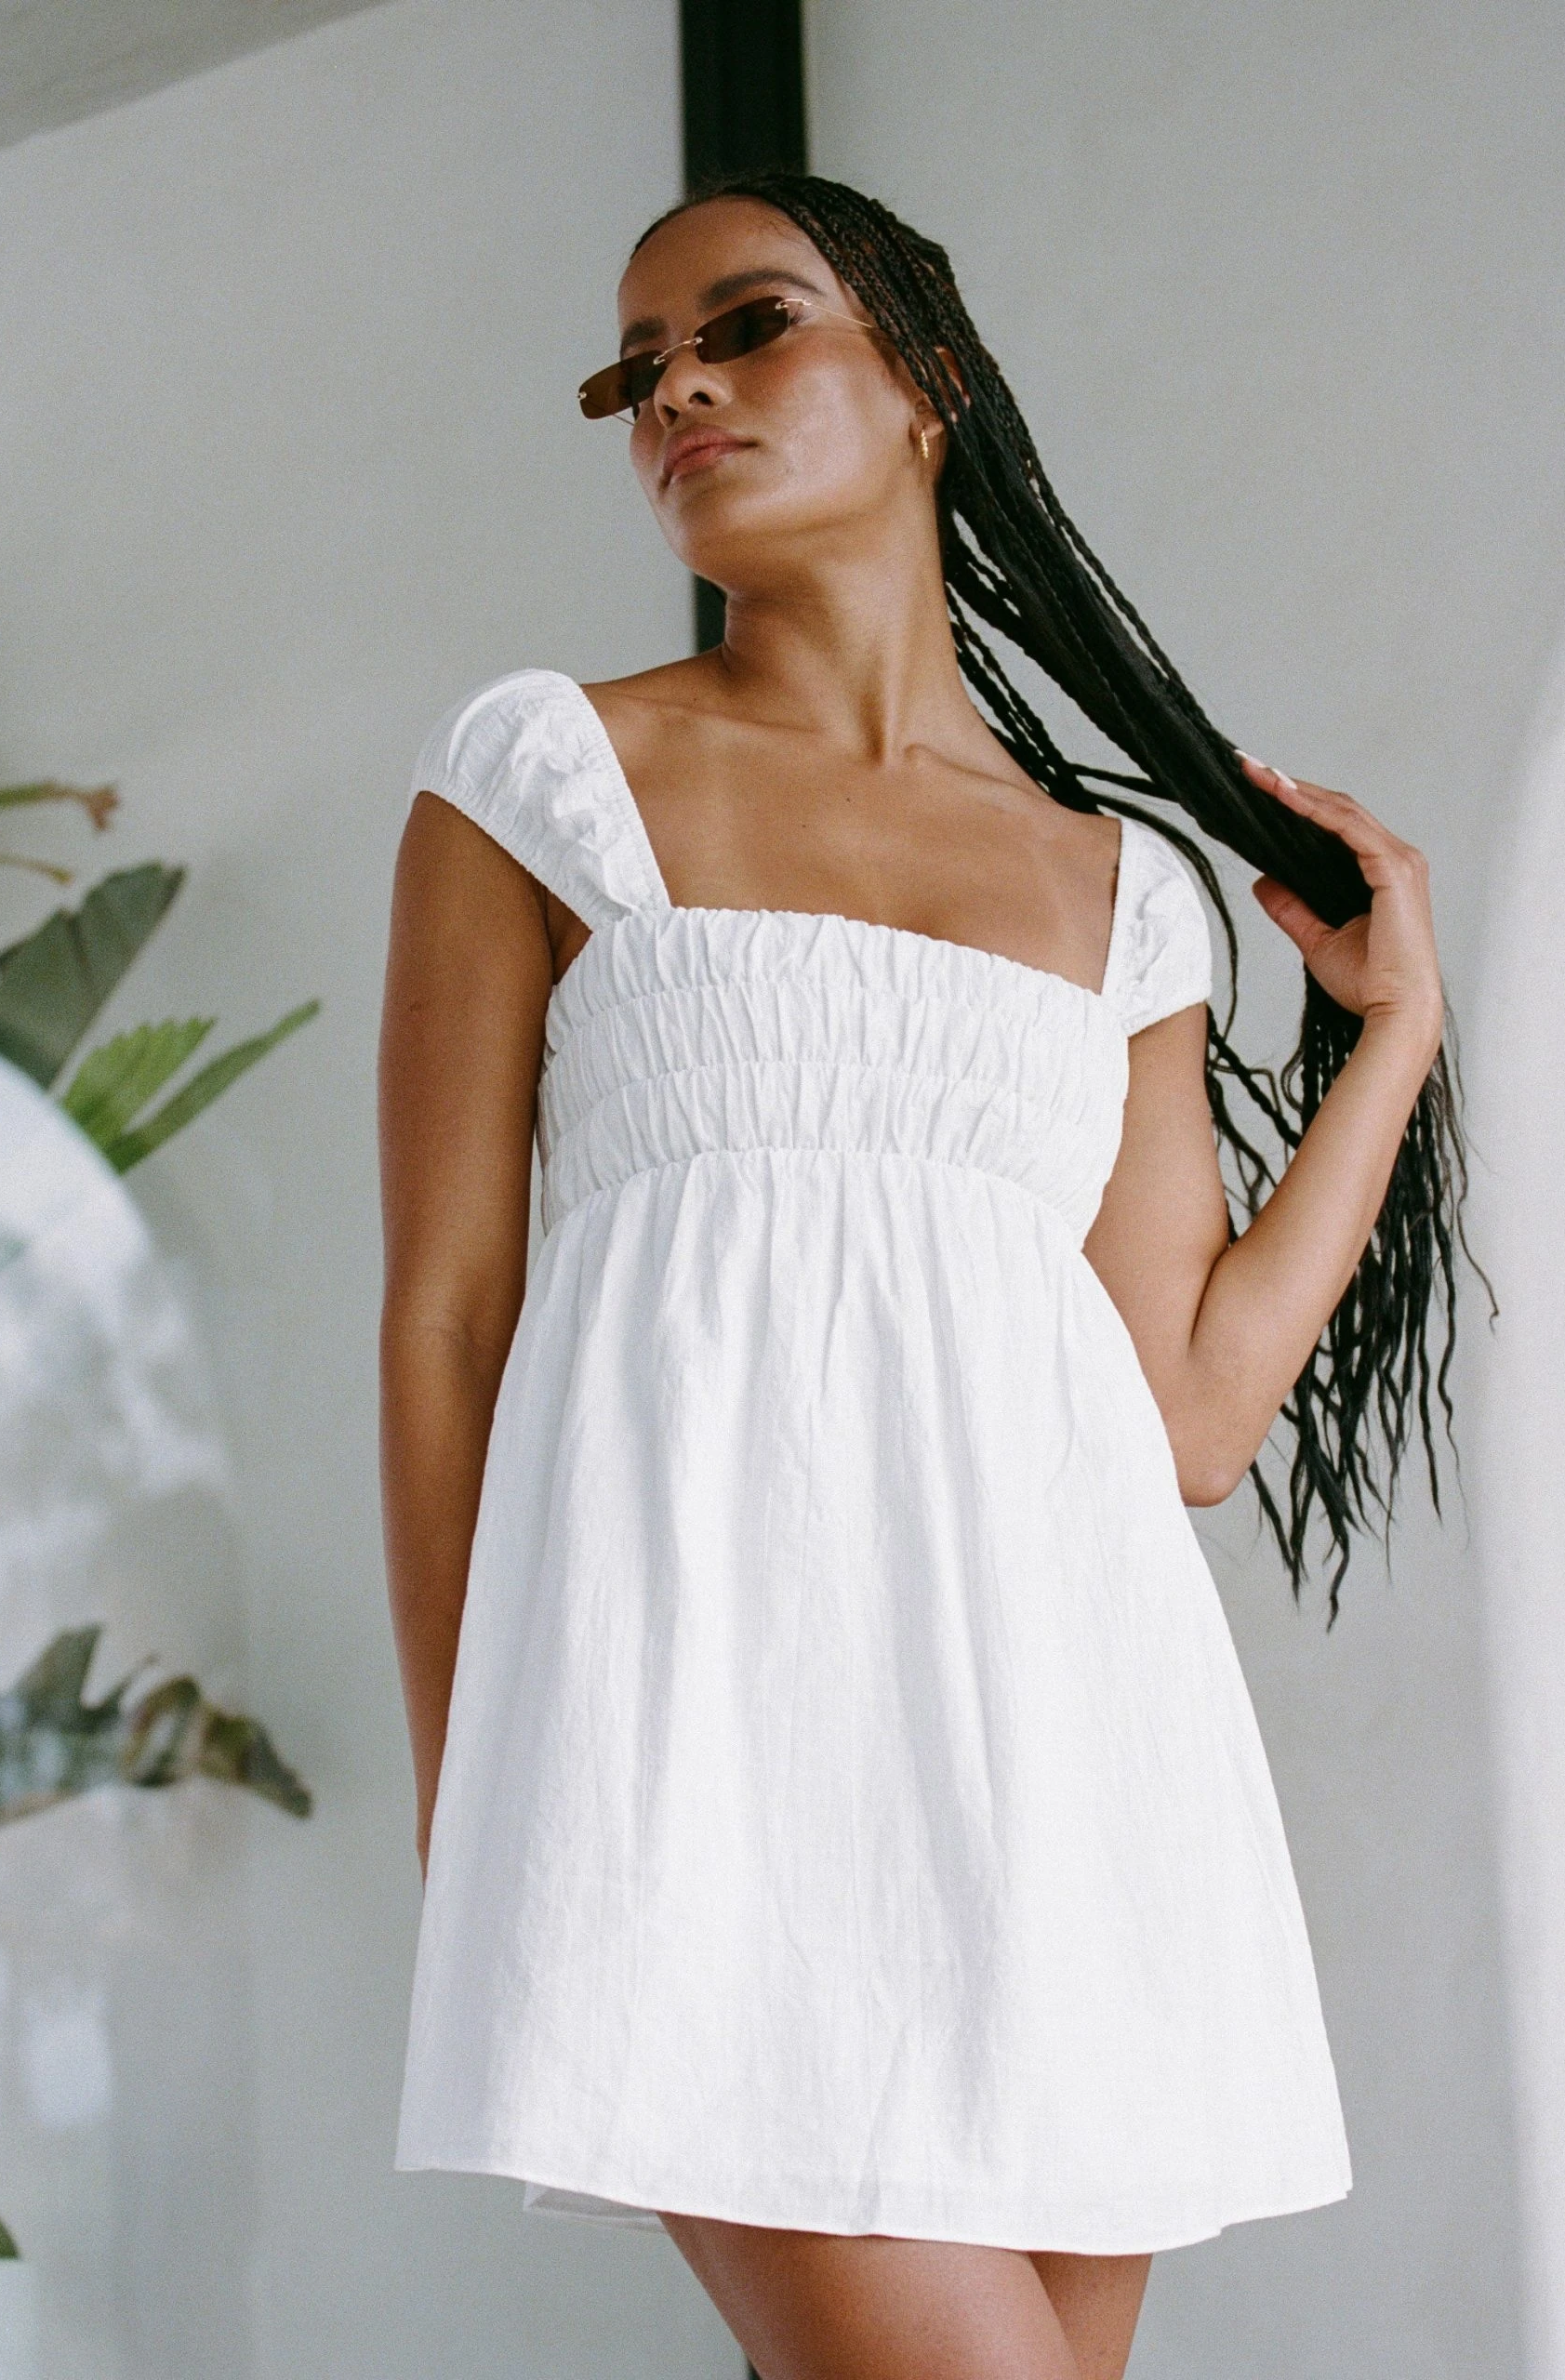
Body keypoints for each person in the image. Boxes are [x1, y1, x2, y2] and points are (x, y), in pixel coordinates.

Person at [379, 173, 1457, 2380]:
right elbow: (447, 1324)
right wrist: (476, 1806)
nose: (675, 388)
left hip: (1058, 1779)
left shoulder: (1123, 894)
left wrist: (1390, 1045)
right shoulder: (545, 774)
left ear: (926, 382)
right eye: (635, 367)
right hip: (691, 1768)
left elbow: (1183, 1417)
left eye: (745, 326)